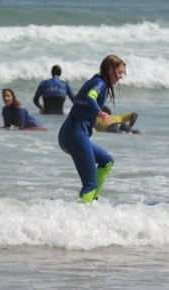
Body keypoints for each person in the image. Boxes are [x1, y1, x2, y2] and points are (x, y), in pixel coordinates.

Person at [58, 55, 126, 203]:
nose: (121, 76)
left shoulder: (95, 81)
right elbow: (91, 96)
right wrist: (99, 112)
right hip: (75, 134)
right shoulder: (100, 83)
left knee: (107, 161)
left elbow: (81, 102)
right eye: (119, 72)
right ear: (109, 69)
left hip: (71, 133)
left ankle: (92, 201)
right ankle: (82, 212)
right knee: (89, 184)